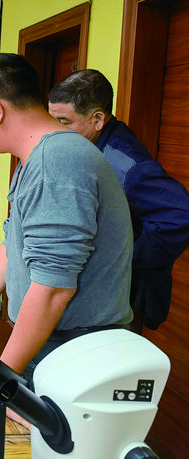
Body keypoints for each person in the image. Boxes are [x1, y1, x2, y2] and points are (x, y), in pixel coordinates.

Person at [0, 53, 134, 384]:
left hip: (73, 350)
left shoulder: (56, 161)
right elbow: (12, 247)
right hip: (49, 341)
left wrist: (3, 378)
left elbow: (53, 289)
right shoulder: (34, 159)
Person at [48, 69, 189, 331]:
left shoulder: (126, 164)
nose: (55, 130)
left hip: (126, 296)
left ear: (98, 119)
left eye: (64, 121)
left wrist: (120, 257)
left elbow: (180, 217)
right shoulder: (90, 146)